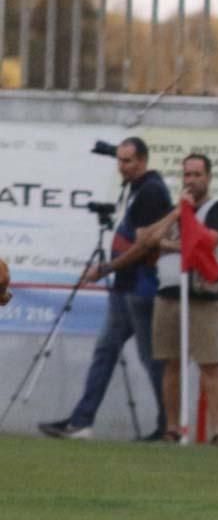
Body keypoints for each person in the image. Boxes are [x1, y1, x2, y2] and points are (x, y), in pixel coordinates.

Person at [39, 137, 170, 440]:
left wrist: (106, 268)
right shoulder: (137, 187)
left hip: (140, 286)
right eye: (119, 160)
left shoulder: (150, 191)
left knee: (151, 359)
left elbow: (144, 245)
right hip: (125, 288)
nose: (122, 167)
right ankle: (82, 420)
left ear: (143, 161)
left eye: (128, 161)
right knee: (105, 352)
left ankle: (169, 426)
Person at [141, 154, 218, 444]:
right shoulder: (175, 210)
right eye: (187, 175)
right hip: (169, 293)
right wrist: (176, 214)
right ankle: (171, 428)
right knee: (171, 363)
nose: (192, 180)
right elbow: (147, 240)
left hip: (203, 295)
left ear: (208, 177)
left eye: (197, 175)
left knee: (210, 363)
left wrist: (168, 244)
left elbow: (206, 241)